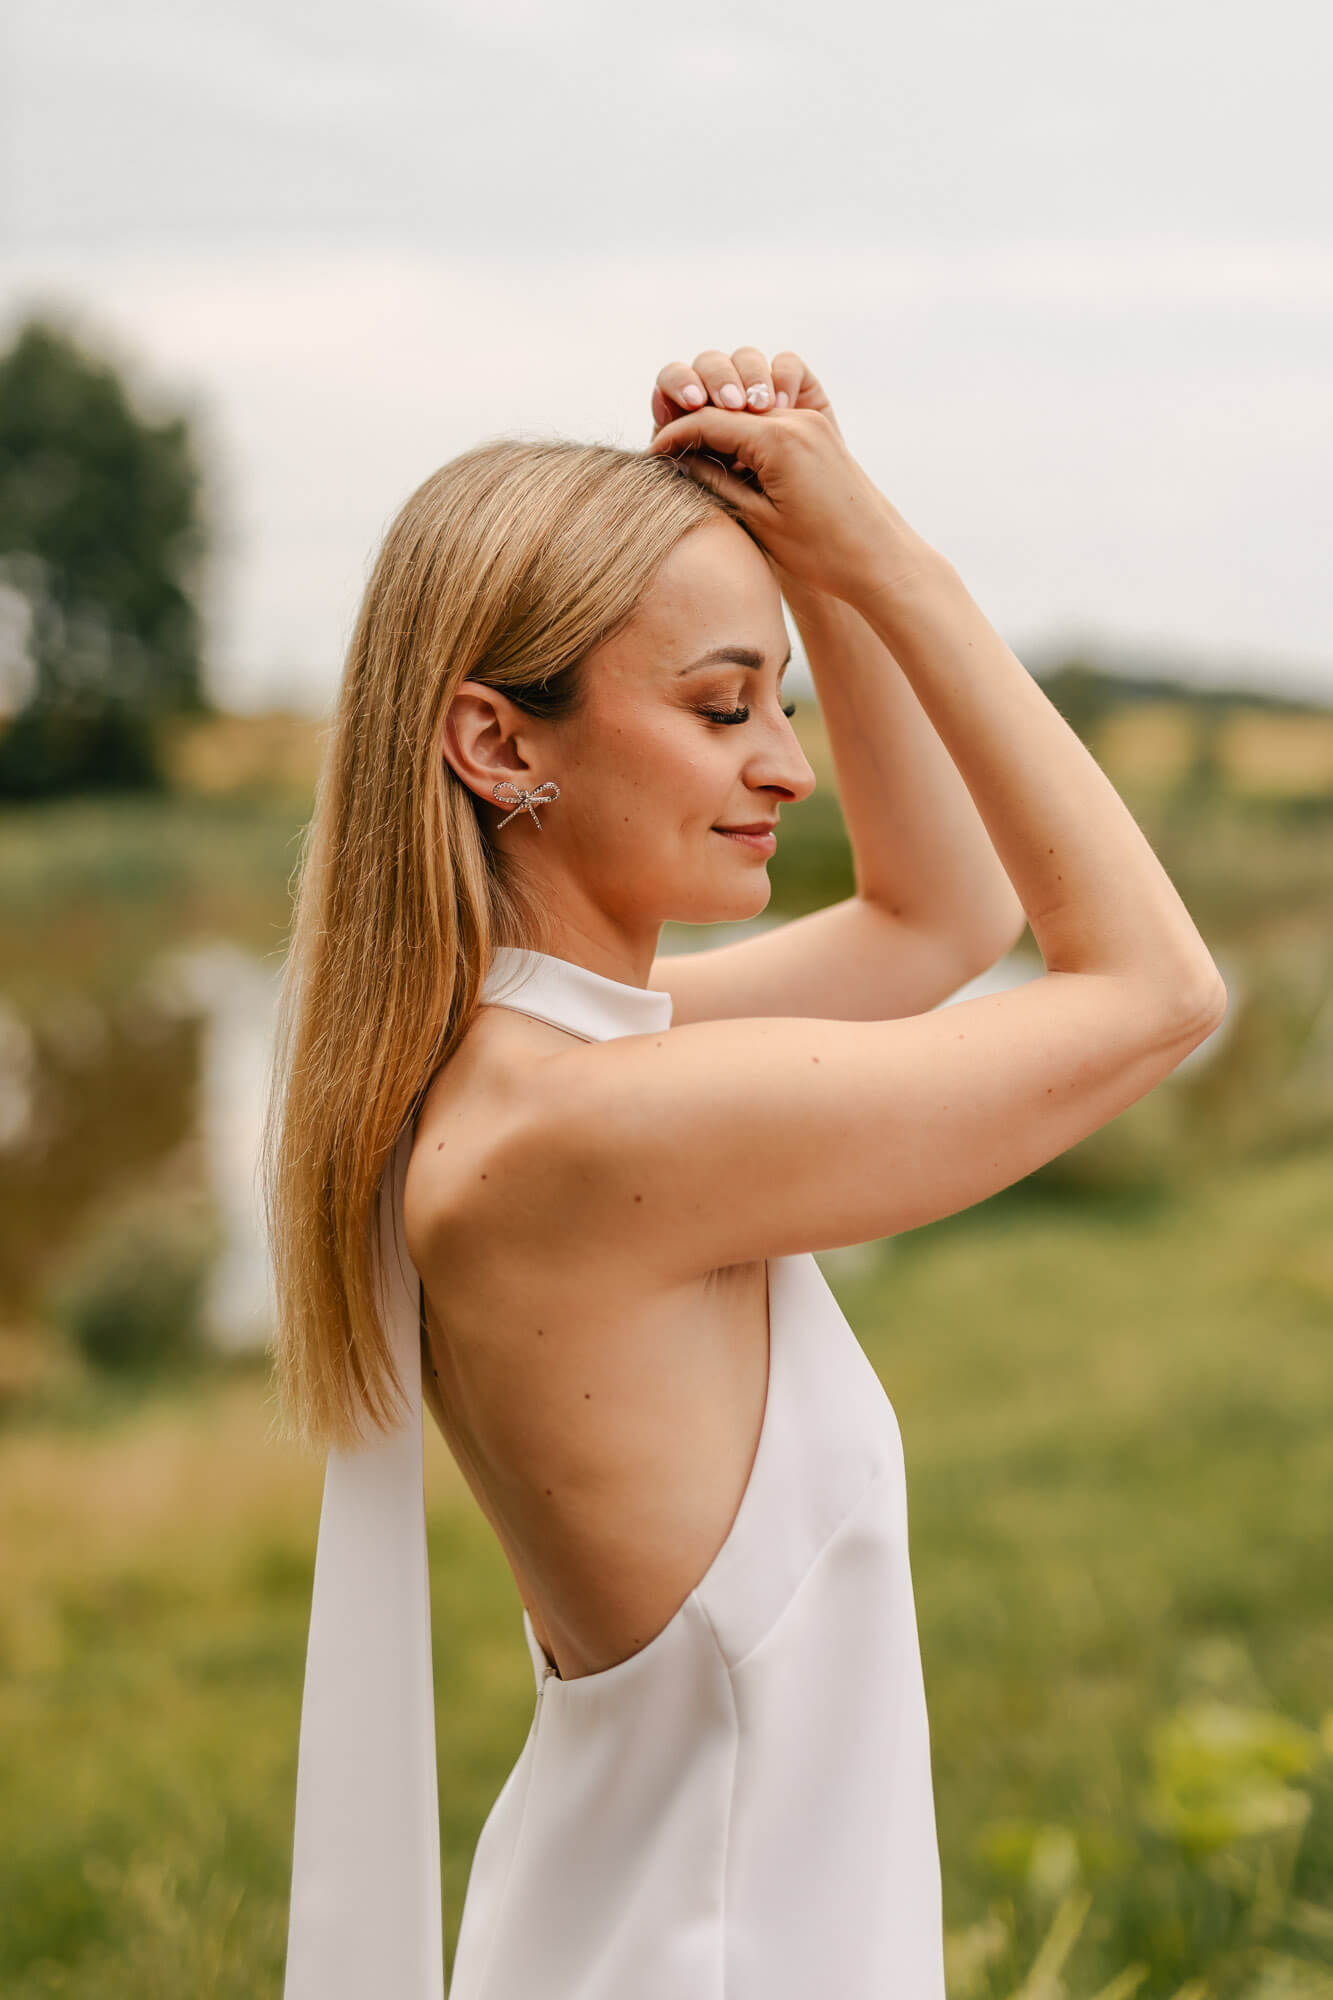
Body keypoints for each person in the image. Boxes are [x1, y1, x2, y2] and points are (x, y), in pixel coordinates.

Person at [266, 348, 1226, 2000]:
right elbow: (1156, 992)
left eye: (779, 702)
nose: (785, 764)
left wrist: (821, 573)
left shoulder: (531, 1072)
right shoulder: (592, 1134)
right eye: (723, 708)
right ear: (494, 742)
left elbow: (941, 920)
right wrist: (890, 561)